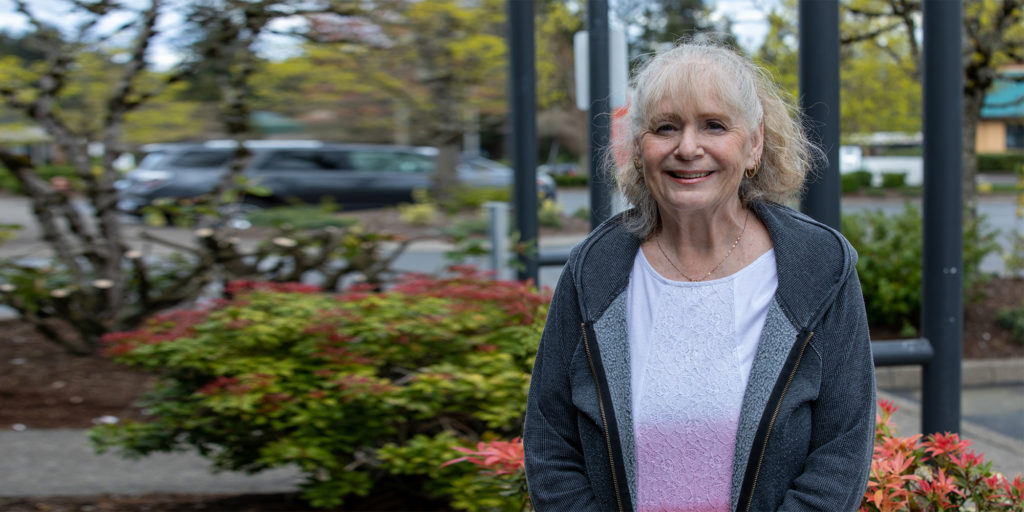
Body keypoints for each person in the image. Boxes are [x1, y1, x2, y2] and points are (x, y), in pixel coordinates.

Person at [523, 39, 875, 512]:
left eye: (713, 125)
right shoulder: (594, 269)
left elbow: (841, 453)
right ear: (639, 148)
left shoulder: (819, 266)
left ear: (754, 144)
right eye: (665, 127)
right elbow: (550, 443)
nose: (688, 148)